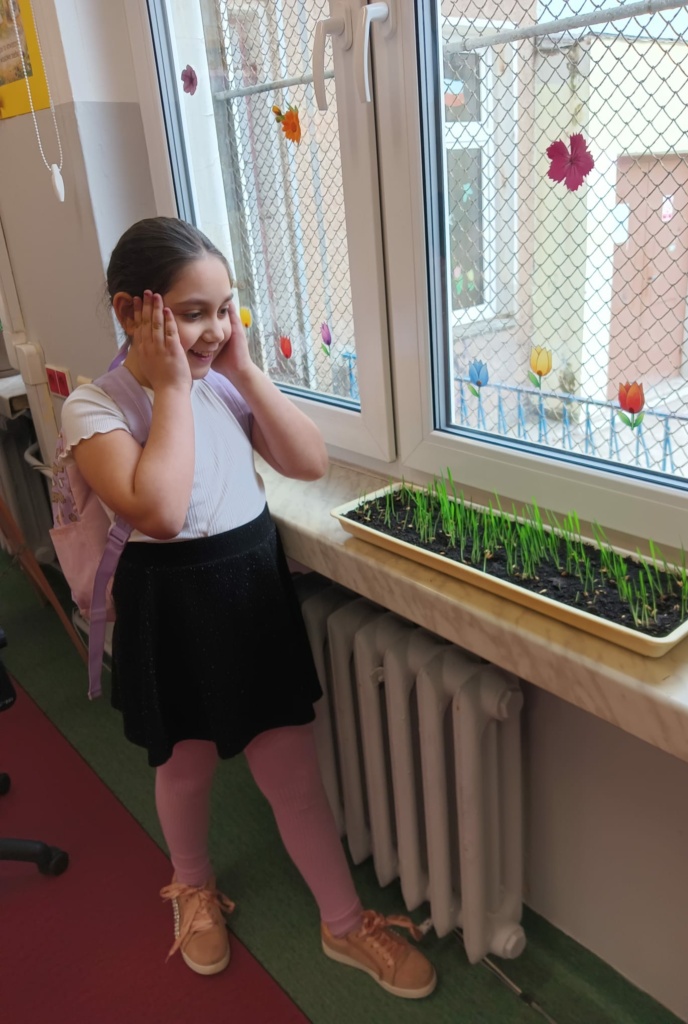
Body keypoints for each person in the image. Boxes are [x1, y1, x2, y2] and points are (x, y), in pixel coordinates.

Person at [61, 217, 436, 999]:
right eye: (192, 313)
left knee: (291, 772)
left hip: (249, 592)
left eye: (225, 308)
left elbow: (308, 460)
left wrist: (243, 368)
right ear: (131, 310)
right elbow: (159, 511)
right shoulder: (96, 408)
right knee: (186, 765)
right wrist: (172, 387)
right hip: (170, 601)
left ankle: (343, 923)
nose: (214, 329)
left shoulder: (223, 378)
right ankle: (192, 884)